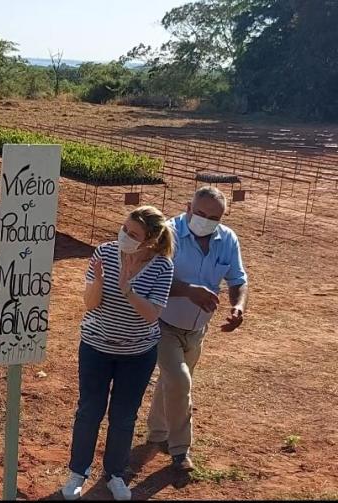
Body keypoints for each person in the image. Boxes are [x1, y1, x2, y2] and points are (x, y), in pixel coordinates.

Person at [62, 206, 175, 501]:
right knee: (89, 410)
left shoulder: (162, 266)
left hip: (138, 354)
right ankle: (78, 471)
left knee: (124, 416)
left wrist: (127, 290)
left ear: (150, 239)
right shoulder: (104, 253)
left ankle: (114, 474)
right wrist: (99, 282)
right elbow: (90, 304)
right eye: (124, 229)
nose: (124, 236)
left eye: (133, 234)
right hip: (96, 347)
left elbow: (151, 315)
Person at [146, 186, 248, 472]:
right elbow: (150, 281)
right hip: (161, 323)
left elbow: (238, 279)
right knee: (179, 380)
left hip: (197, 329)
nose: (205, 220)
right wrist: (188, 291)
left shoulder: (227, 239)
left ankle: (157, 434)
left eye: (213, 217)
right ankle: (180, 452)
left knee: (173, 380)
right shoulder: (167, 234)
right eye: (200, 213)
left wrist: (238, 306)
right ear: (188, 208)